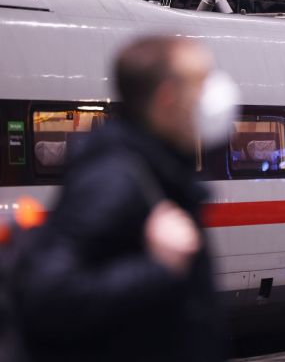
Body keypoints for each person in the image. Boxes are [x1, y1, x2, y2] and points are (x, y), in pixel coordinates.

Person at [13, 36, 231, 362]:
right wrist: (157, 269)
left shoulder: (160, 169)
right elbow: (48, 297)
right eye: (202, 83)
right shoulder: (113, 178)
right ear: (168, 98)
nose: (215, 97)